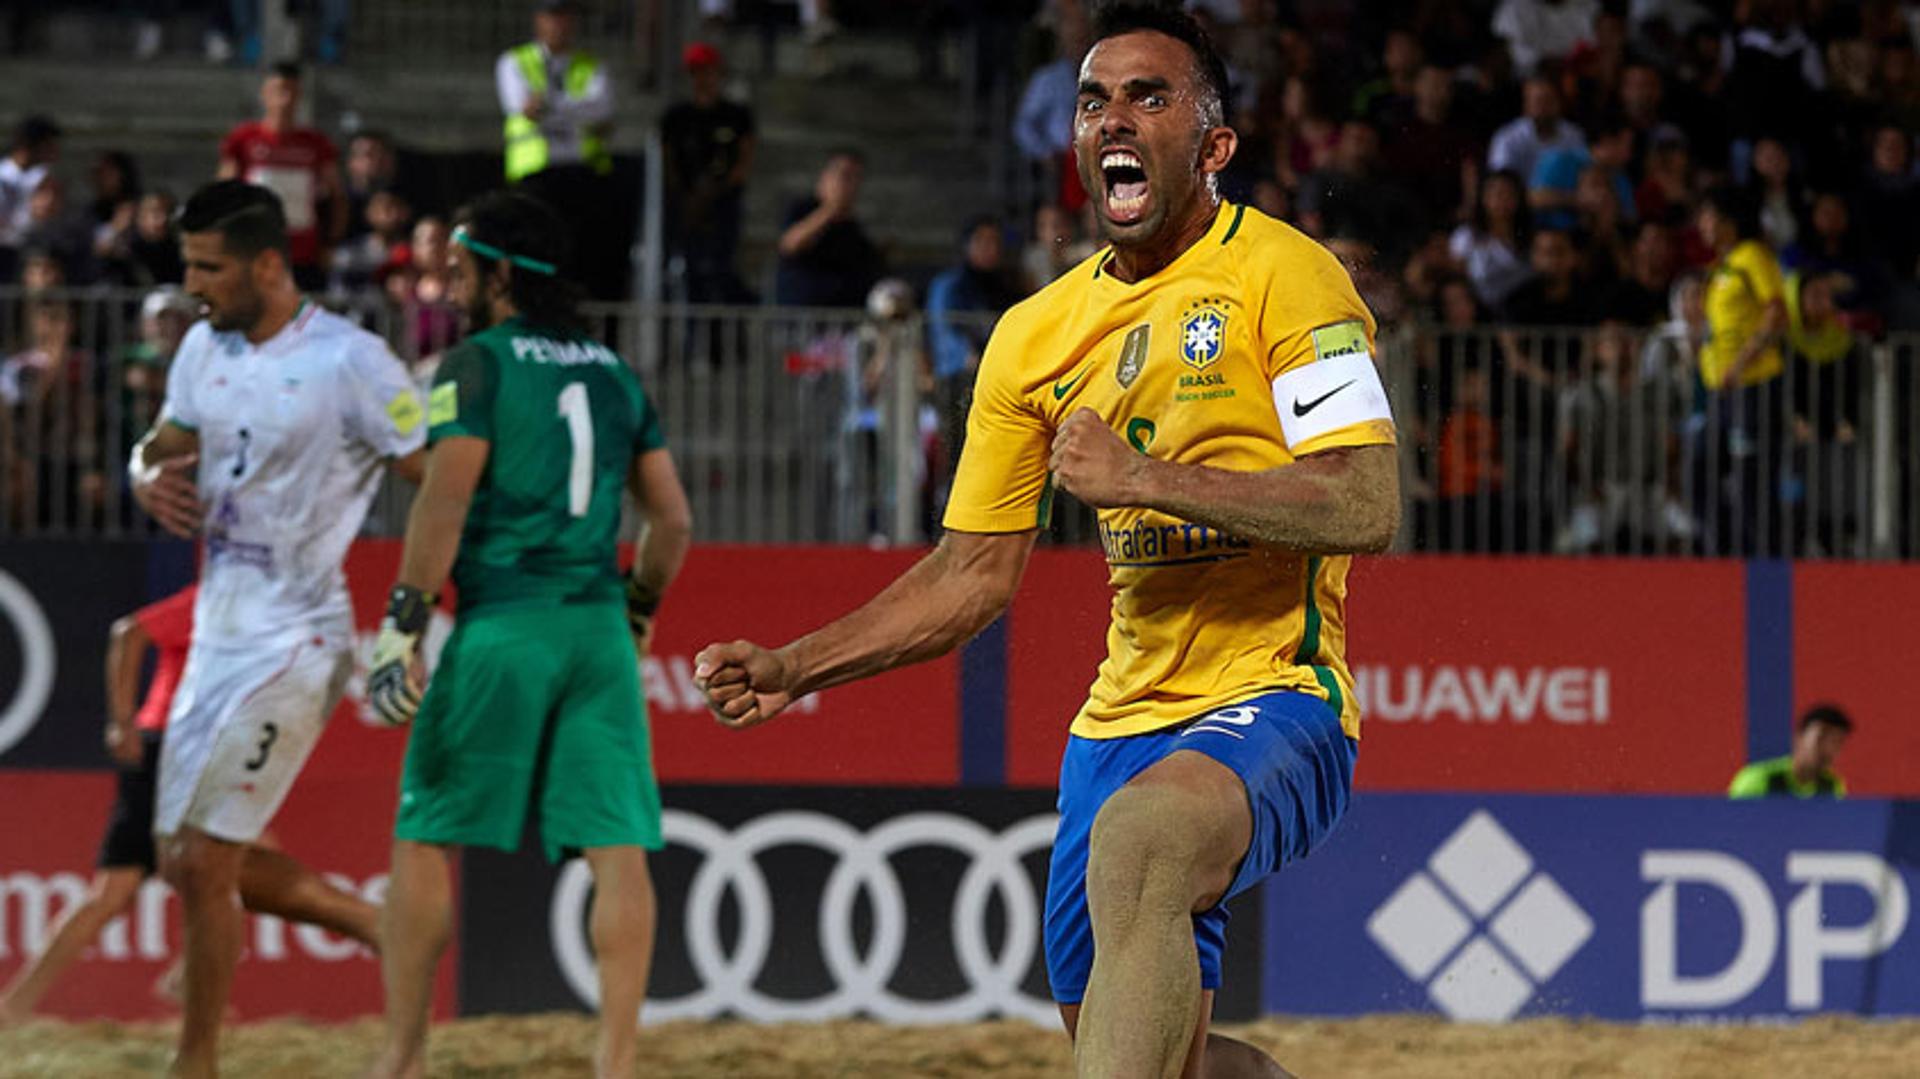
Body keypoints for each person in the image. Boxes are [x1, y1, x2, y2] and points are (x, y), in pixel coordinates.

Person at [694, 6, 1398, 1077]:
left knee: (1145, 847)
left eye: (1148, 95)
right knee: (1159, 1049)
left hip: (1280, 694)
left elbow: (1365, 504)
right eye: (1093, 98)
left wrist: (1144, 480)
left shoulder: (1288, 276)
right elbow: (970, 575)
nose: (1113, 116)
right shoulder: (1032, 336)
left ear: (1214, 148)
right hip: (1116, 729)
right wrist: (800, 664)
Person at [361, 190, 692, 1079]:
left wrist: (403, 619)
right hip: (596, 633)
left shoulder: (475, 363)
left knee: (426, 830)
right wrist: (638, 609)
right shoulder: (615, 372)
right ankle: (615, 1063)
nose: (453, 279)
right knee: (617, 847)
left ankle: (401, 1057)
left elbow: (445, 495)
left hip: (504, 622)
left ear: (502, 272)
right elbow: (673, 522)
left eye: (465, 264)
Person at [126, 180, 426, 1079]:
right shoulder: (200, 352)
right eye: (187, 265)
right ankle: (380, 928)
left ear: (266, 263)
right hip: (218, 632)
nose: (192, 284)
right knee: (182, 860)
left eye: (208, 267)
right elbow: (162, 440)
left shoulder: (354, 361)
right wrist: (145, 470)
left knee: (208, 854)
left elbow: (435, 473)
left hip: (299, 635)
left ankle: (197, 1062)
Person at [0, 584, 381, 1026]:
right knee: (120, 892)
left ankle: (26, 1004)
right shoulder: (226, 592)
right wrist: (121, 723)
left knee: (243, 869)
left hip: (202, 754)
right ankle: (16, 1006)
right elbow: (129, 634)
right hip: (168, 750)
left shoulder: (279, 614)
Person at [497, 0, 619, 296]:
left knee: (580, 257)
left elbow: (603, 108)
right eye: (553, 16)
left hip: (582, 173)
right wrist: (579, 111)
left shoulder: (592, 66)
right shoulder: (514, 61)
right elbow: (522, 107)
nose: (559, 24)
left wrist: (548, 107)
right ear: (539, 20)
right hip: (534, 176)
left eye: (566, 16)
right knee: (534, 252)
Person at [217, 62, 345, 292]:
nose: (285, 100)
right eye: (279, 91)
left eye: (292, 92)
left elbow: (337, 196)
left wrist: (330, 243)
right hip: (255, 250)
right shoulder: (244, 139)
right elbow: (224, 193)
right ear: (264, 94)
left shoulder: (316, 144)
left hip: (303, 254)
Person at [660, 40, 755, 303]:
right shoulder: (677, 117)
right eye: (696, 71)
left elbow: (744, 160)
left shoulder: (736, 115)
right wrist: (688, 199)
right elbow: (668, 162)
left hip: (723, 204)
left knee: (720, 270)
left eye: (708, 70)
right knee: (688, 272)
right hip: (686, 206)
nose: (702, 78)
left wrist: (713, 192)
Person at [773, 149, 883, 308]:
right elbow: (790, 244)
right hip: (802, 319)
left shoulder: (853, 228)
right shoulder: (802, 209)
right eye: (844, 176)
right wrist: (831, 209)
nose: (850, 185)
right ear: (825, 176)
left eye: (856, 178)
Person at [1728, 704, 1852, 799]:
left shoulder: (1833, 786)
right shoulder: (1757, 779)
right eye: (1821, 737)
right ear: (1799, 737)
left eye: (1837, 742)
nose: (1828, 747)